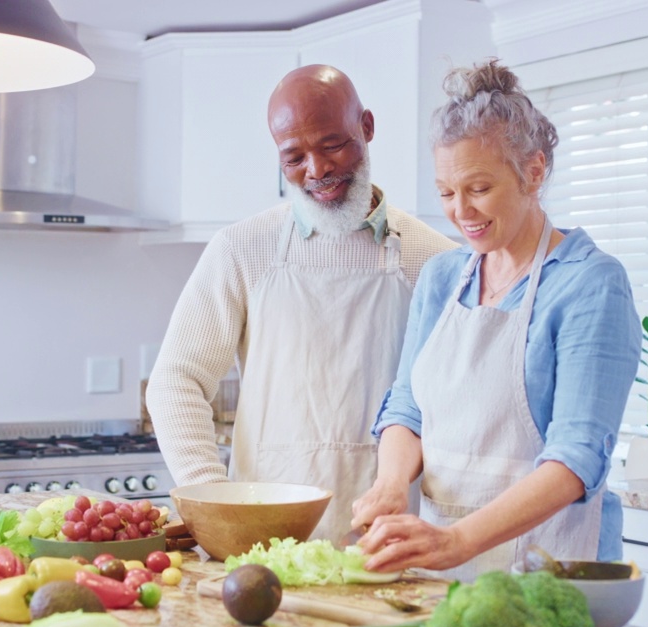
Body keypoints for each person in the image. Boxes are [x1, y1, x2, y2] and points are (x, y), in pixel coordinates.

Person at [350, 60, 640, 581]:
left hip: (549, 573)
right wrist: (392, 484)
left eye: (478, 188)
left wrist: (459, 541)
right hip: (442, 571)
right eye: (445, 192)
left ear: (533, 170)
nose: (460, 211)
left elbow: (576, 460)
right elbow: (408, 407)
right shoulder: (443, 277)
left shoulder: (589, 284)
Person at [146, 65, 456, 541]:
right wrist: (211, 498)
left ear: (367, 127)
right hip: (260, 538)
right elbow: (175, 380)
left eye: (332, 145)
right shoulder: (243, 248)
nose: (317, 170)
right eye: (293, 156)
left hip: (391, 536)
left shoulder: (434, 259)